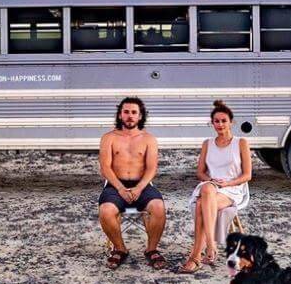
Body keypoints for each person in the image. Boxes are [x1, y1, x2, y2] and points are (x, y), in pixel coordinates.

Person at [178, 100, 252, 273]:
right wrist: (211, 179)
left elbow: (247, 175)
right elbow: (200, 173)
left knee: (200, 205)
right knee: (206, 188)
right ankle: (210, 246)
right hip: (212, 185)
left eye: (223, 121)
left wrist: (227, 183)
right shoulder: (207, 143)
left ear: (231, 122)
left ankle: (196, 256)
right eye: (216, 121)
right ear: (212, 123)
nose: (220, 124)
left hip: (232, 188)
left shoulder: (241, 143)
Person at [98, 97, 167, 270]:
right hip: (115, 185)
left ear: (140, 116)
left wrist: (139, 188)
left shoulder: (149, 139)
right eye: (126, 112)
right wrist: (120, 188)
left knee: (158, 206)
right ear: (120, 115)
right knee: (106, 211)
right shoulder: (109, 137)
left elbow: (152, 168)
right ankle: (120, 249)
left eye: (134, 112)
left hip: (142, 185)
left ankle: (151, 249)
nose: (130, 116)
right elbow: (105, 167)